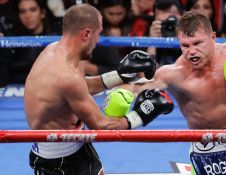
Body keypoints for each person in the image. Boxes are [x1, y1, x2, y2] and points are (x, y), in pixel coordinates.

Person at [24, 4, 174, 175]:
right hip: (57, 162)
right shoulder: (65, 76)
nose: (98, 40)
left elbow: (81, 87)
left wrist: (121, 75)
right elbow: (102, 127)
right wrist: (141, 114)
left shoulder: (56, 50)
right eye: (98, 33)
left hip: (77, 145)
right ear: (86, 33)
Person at [127, 11, 226, 174]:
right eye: (185, 45)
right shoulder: (174, 74)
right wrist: (118, 92)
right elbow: (135, 88)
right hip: (206, 151)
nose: (191, 51)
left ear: (213, 37)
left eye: (197, 43)